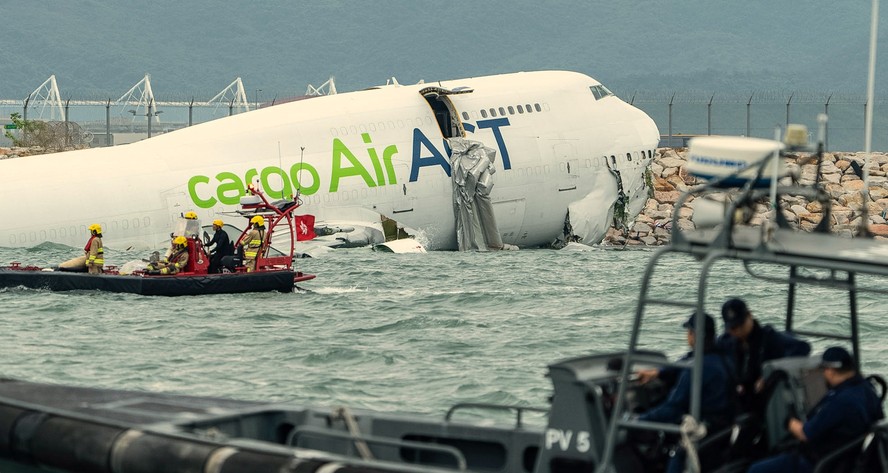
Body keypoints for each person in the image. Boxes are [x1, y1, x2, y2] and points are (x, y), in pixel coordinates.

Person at [747, 346, 884, 473]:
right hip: (851, 460)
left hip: (824, 463)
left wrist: (789, 422)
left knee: (755, 469)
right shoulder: (868, 390)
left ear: (830, 371)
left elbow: (806, 433)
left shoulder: (841, 401)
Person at [637, 313, 736, 473]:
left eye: (689, 332)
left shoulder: (695, 369)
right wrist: (658, 373)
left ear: (694, 335)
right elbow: (686, 361)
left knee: (675, 455)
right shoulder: (723, 358)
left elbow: (672, 409)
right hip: (724, 431)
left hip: (705, 434)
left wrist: (638, 420)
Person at [717, 298, 811, 413]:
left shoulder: (768, 337)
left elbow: (802, 347)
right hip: (737, 400)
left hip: (764, 401)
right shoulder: (726, 342)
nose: (738, 330)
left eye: (740, 324)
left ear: (750, 316)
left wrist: (771, 371)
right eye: (733, 328)